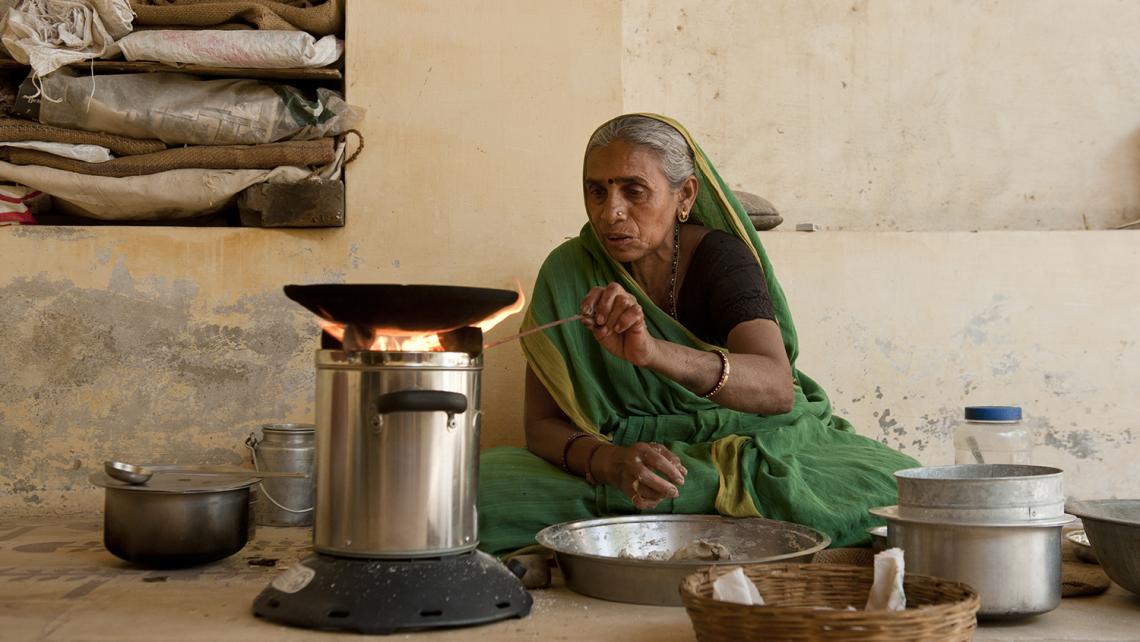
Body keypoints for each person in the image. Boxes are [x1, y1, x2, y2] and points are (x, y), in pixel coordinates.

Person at [478, 113, 918, 556]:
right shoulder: (568, 270)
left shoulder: (721, 260)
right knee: (480, 488)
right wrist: (611, 464)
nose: (610, 211)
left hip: (754, 447)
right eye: (597, 191)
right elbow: (541, 427)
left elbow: (775, 388)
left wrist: (653, 352)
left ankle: (646, 519)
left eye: (633, 191)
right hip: (625, 456)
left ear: (684, 195)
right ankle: (708, 519)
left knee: (895, 489)